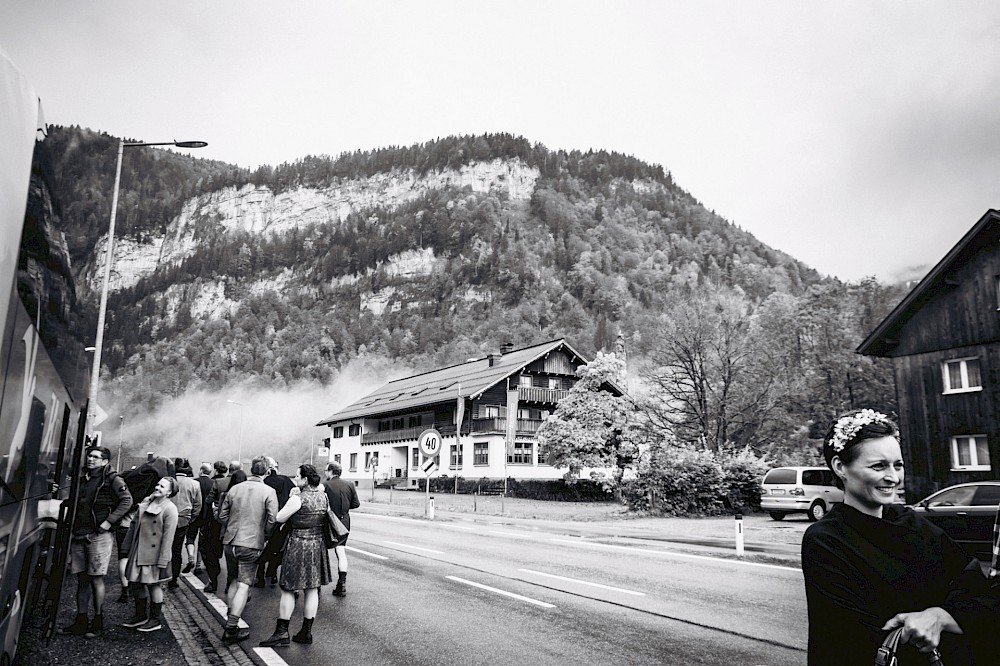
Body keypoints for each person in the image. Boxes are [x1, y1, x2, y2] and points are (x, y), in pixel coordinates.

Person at [802, 409, 997, 665]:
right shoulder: (826, 540)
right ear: (840, 467)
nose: (893, 478)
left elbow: (976, 589)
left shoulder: (915, 524)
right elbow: (845, 635)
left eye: (898, 465)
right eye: (878, 466)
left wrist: (938, 616)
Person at [58, 445, 133, 638]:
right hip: (78, 534)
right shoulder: (82, 477)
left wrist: (108, 522)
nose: (90, 459)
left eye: (95, 457)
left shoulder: (112, 479)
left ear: (105, 461)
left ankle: (98, 621)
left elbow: (127, 501)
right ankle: (81, 621)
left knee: (96, 578)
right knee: (81, 579)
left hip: (98, 536)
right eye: (89, 456)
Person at [259, 464, 332, 647]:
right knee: (312, 588)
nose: (296, 479)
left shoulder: (297, 498)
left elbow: (279, 518)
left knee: (288, 588)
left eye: (298, 476)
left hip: (298, 543)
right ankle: (306, 633)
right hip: (317, 544)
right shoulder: (323, 496)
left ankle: (282, 633)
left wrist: (292, 497)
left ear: (305, 480)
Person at [217, 456, 278, 644]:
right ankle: (231, 628)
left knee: (233, 579)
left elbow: (221, 516)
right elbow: (272, 519)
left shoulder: (235, 488)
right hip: (251, 543)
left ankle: (230, 614)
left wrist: (233, 525)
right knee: (245, 585)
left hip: (230, 542)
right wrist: (265, 535)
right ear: (267, 471)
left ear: (251, 469)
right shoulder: (269, 491)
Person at [121, 475, 179, 633]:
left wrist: (163, 560)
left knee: (154, 585)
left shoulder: (170, 509)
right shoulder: (147, 502)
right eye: (158, 484)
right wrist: (126, 547)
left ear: (169, 492)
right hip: (138, 550)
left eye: (162, 487)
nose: (158, 488)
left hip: (154, 554)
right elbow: (133, 527)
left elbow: (169, 538)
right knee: (135, 583)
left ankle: (155, 620)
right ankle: (140, 616)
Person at [323, 460, 359, 597]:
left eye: (326, 471)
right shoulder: (350, 484)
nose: (325, 473)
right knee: (341, 551)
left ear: (331, 471)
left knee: (322, 551)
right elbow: (356, 504)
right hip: (344, 522)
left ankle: (317, 586)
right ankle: (342, 584)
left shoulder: (325, 485)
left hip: (328, 521)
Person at [257, 457, 295, 587]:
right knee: (277, 547)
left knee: (261, 547)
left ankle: (259, 576)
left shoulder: (262, 482)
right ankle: (272, 572)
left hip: (263, 518)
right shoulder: (286, 481)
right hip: (281, 520)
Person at [167, 458, 201, 589]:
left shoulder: (169, 481)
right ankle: (174, 578)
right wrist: (191, 518)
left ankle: (163, 575)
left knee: (165, 548)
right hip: (183, 519)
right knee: (177, 550)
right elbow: (198, 505)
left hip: (166, 519)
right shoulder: (194, 484)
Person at [201, 460, 229, 592]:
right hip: (231, 524)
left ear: (216, 470)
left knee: (209, 550)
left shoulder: (217, 483)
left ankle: (213, 580)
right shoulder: (237, 484)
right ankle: (231, 584)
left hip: (214, 520)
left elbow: (208, 501)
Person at [191, 462, 215, 573]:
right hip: (208, 516)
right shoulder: (213, 483)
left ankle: (191, 558)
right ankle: (199, 564)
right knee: (203, 540)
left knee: (190, 538)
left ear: (201, 471)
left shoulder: (194, 482)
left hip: (195, 514)